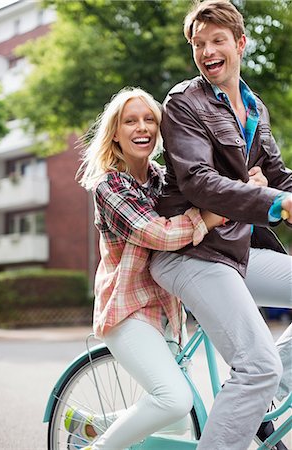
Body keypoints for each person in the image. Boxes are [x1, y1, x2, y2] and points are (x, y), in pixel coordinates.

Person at [149, 1, 292, 450]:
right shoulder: (183, 103)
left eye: (217, 40)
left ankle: (259, 401)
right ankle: (259, 386)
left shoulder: (254, 107)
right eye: (199, 43)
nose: (208, 51)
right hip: (190, 253)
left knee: (263, 374)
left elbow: (279, 175)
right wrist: (275, 201)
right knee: (257, 364)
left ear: (240, 44)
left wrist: (280, 193)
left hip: (236, 252)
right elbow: (201, 184)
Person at [65, 86, 226, 450]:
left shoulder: (162, 178)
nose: (142, 127)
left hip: (167, 312)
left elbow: (210, 186)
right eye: (130, 120)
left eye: (149, 119)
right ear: (116, 133)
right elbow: (157, 233)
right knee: (174, 399)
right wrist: (207, 218)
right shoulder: (109, 185)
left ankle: (91, 426)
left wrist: (246, 188)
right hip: (126, 310)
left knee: (174, 426)